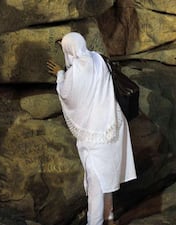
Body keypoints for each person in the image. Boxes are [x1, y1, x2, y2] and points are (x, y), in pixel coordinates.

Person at [46, 32, 137, 225]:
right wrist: (67, 42)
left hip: (96, 134)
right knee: (107, 175)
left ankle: (94, 222)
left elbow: (66, 93)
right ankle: (109, 217)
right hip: (114, 125)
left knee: (96, 182)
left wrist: (60, 75)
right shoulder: (98, 58)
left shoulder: (76, 72)